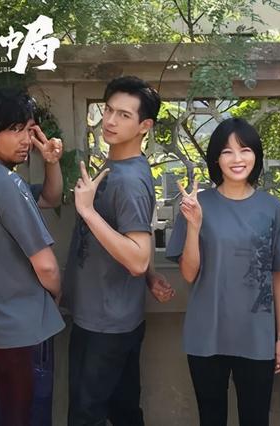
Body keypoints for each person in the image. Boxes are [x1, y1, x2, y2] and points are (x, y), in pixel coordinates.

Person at [165, 117, 280, 426]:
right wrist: (194, 226)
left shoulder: (273, 208)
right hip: (207, 334)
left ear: (256, 155)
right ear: (216, 159)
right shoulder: (196, 205)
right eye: (227, 151)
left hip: (257, 335)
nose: (237, 159)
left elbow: (278, 276)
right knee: (211, 418)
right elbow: (188, 274)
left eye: (245, 149)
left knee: (256, 419)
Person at [64, 76, 174, 426]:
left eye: (124, 115)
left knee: (86, 416)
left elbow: (137, 259)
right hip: (111, 314)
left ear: (145, 126)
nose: (110, 121)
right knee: (124, 412)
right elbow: (134, 241)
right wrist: (151, 276)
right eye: (109, 110)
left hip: (105, 323)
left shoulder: (128, 180)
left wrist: (87, 211)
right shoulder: (120, 166)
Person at [0, 87, 66, 426]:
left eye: (29, 130)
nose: (25, 140)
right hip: (24, 333)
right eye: (15, 129)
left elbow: (49, 198)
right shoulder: (7, 185)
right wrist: (55, 296)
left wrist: (51, 163)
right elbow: (46, 266)